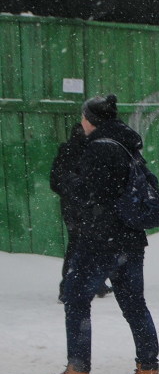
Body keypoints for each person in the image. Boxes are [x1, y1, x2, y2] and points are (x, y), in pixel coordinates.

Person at [41, 94, 159, 374]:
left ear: (91, 119)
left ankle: (77, 371)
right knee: (134, 304)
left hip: (101, 237)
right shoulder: (127, 144)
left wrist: (69, 182)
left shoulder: (99, 149)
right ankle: (148, 368)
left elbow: (93, 194)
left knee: (75, 297)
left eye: (83, 117)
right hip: (130, 238)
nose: (81, 122)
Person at [50, 121, 110, 302]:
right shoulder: (94, 152)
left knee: (76, 243)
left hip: (71, 207)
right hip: (90, 207)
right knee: (94, 243)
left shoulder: (66, 152)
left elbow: (55, 182)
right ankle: (75, 286)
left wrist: (70, 195)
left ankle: (77, 284)